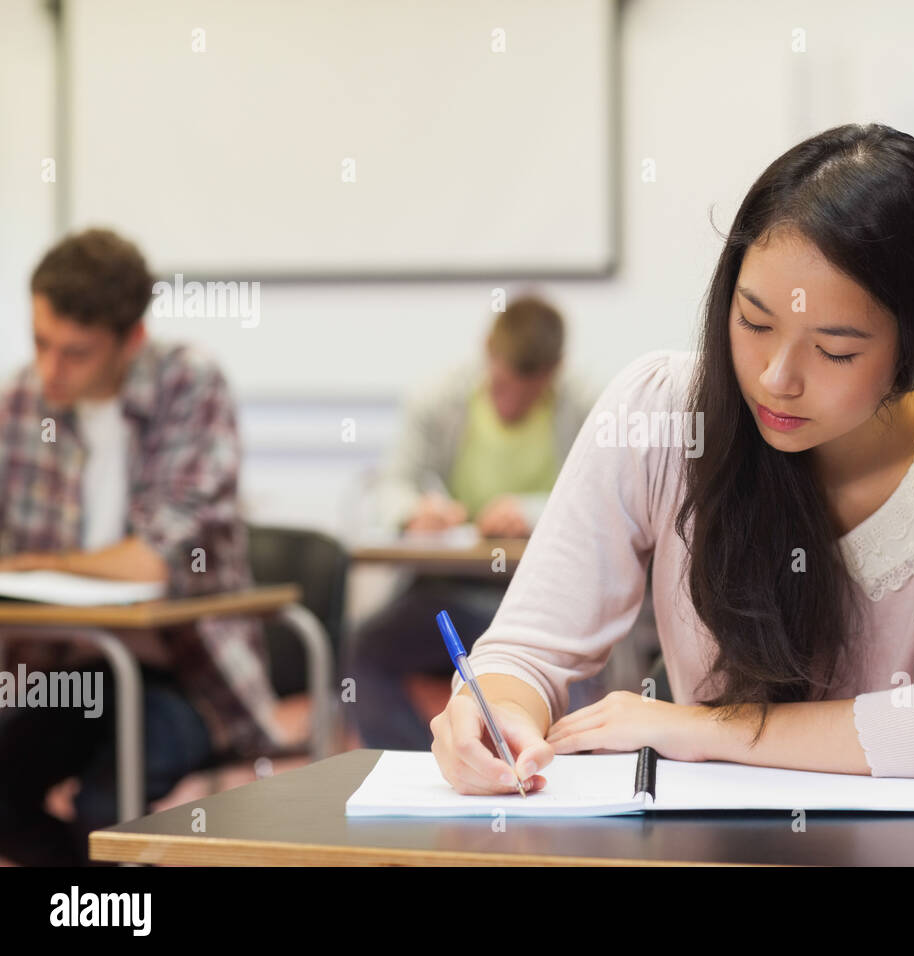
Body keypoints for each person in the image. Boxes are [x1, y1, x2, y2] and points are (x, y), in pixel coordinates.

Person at [428, 122, 914, 796]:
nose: (776, 378)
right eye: (754, 321)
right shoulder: (659, 410)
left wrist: (702, 729)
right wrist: (497, 710)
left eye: (834, 350)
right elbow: (529, 646)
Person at [0, 228, 281, 866]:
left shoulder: (191, 385)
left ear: (132, 339)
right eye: (40, 342)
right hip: (65, 668)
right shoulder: (21, 403)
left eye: (76, 353)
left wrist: (38, 563)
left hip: (185, 673)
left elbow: (151, 561)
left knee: (106, 809)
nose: (51, 370)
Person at [348, 296, 600, 749]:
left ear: (555, 370)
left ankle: (562, 761)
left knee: (574, 658)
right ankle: (415, 762)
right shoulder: (438, 399)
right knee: (367, 647)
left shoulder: (587, 406)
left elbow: (604, 493)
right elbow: (390, 485)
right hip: (449, 590)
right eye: (503, 387)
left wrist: (531, 512)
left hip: (541, 594)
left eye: (528, 391)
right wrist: (413, 512)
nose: (512, 404)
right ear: (488, 352)